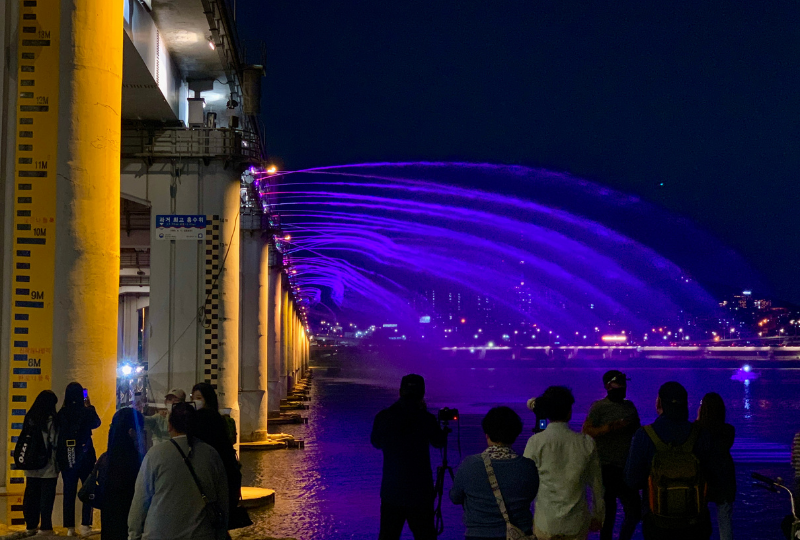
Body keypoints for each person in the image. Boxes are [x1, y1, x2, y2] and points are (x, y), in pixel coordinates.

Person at [625, 381, 716, 540]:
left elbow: (632, 480)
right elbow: (713, 476)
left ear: (659, 403)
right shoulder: (701, 434)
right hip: (695, 522)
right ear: (686, 404)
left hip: (657, 522)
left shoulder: (644, 435)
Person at [128, 402, 229, 540]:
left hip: (159, 534)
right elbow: (223, 500)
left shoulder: (155, 454)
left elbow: (140, 501)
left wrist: (134, 535)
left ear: (170, 426)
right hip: (201, 533)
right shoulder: (211, 455)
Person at [371, 374, 447, 540]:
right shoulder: (426, 418)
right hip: (420, 491)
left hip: (392, 490)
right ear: (422, 394)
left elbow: (376, 442)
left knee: (388, 536)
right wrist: (443, 429)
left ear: (400, 391)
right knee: (425, 535)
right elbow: (438, 442)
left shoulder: (384, 416)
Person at [523, 386, 604, 540]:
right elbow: (596, 485)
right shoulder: (586, 443)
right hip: (577, 523)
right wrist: (598, 515)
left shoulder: (535, 442)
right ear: (569, 411)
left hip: (545, 523)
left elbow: (525, 482)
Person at [450, 406, 539, 540]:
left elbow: (455, 497)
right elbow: (531, 495)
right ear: (515, 435)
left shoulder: (470, 464)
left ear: (487, 434)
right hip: (518, 534)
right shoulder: (528, 466)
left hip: (478, 536)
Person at [582, 370, 642, 540]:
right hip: (605, 466)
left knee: (634, 510)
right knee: (608, 514)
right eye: (619, 383)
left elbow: (638, 432)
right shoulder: (599, 407)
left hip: (626, 466)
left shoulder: (630, 406)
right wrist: (610, 428)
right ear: (608, 386)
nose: (623, 387)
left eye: (624, 383)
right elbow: (586, 431)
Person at [191, 382, 242, 526]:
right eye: (193, 397)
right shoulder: (218, 419)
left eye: (199, 397)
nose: (195, 401)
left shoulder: (204, 420)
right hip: (224, 478)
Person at [57, 382, 101, 537]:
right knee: (88, 488)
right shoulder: (86, 411)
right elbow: (97, 422)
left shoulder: (62, 413)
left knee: (69, 490)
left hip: (68, 454)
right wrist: (89, 406)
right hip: (86, 453)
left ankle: (69, 527)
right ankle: (85, 525)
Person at [98, 408, 146, 540]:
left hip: (109, 527)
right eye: (141, 430)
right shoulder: (137, 461)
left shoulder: (106, 459)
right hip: (128, 528)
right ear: (132, 432)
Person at [696, 392, 736, 540]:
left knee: (699, 517)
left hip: (703, 476)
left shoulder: (696, 430)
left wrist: (698, 420)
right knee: (725, 518)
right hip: (724, 477)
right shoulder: (728, 430)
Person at [21, 390, 59, 535]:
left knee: (31, 495)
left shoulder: (30, 417)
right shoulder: (50, 419)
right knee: (46, 498)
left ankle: (30, 526)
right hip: (47, 465)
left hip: (31, 464)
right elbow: (53, 441)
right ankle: (45, 527)